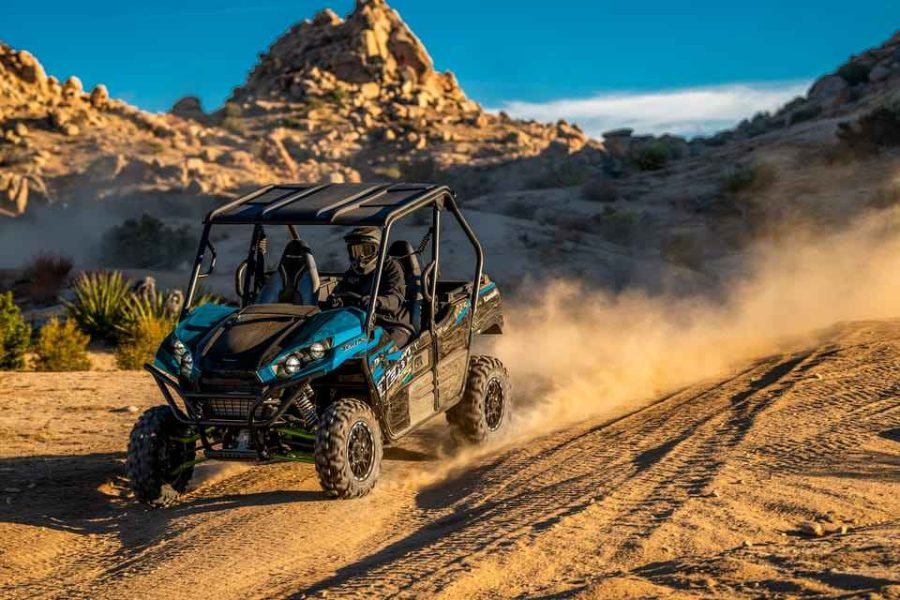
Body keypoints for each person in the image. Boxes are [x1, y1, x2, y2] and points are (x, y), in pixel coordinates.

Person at [331, 227, 412, 347]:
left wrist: (376, 301)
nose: (360, 256)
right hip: (362, 323)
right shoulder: (351, 272)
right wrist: (336, 300)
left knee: (379, 351)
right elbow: (341, 291)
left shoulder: (391, 267)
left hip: (392, 323)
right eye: (355, 251)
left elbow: (395, 299)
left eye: (366, 250)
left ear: (378, 250)